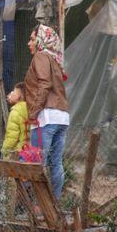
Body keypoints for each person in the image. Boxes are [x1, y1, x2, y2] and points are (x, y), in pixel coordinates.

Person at [24, 24, 70, 199]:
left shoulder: (41, 56)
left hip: (47, 117)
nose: (29, 43)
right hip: (62, 116)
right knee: (55, 163)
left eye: (32, 38)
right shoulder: (55, 60)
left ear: (41, 40)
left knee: (35, 163)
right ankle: (54, 204)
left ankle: (35, 206)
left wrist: (33, 113)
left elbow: (44, 84)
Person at [1, 83, 29, 157]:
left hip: (18, 153)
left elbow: (12, 137)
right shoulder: (31, 109)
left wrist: (5, 151)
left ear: (18, 96)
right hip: (31, 151)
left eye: (13, 91)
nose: (10, 93)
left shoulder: (15, 112)